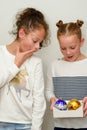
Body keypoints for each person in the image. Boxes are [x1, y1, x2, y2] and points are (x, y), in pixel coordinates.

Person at [0, 7, 49, 130]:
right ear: (22, 33)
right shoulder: (1, 54)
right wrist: (16, 64)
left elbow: (39, 99)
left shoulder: (36, 62)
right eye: (35, 41)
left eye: (40, 43)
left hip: (26, 125)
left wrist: (36, 128)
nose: (37, 47)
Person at [46, 20, 87, 130]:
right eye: (63, 48)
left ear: (81, 42)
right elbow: (48, 91)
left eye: (72, 47)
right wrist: (52, 99)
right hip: (60, 125)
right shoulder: (54, 66)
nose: (68, 52)